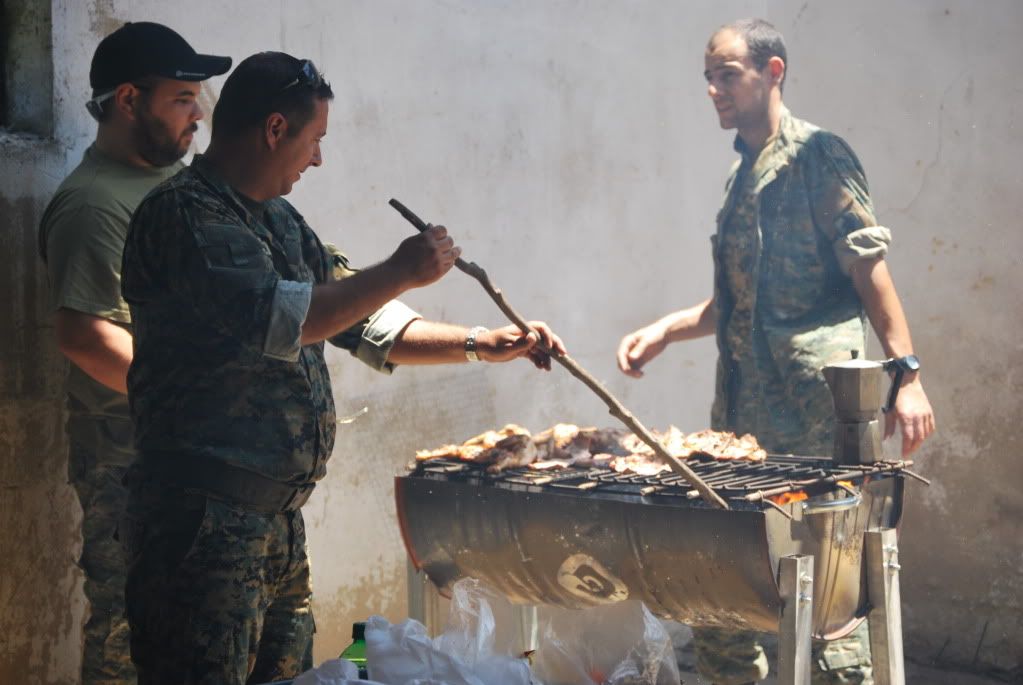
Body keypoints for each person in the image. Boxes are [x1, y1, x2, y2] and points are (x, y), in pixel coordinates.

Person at [118, 51, 565, 685]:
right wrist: (401, 269)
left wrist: (480, 342)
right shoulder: (186, 216)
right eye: (315, 139)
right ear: (276, 130)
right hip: (202, 525)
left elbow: (364, 320)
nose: (318, 159)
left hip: (273, 524)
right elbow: (289, 319)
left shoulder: (280, 220)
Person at [616, 18, 935, 685]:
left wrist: (906, 376)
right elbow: (740, 301)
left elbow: (868, 272)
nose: (713, 90)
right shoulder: (741, 173)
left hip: (813, 422)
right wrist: (666, 330)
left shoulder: (818, 156)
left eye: (726, 74)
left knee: (827, 597)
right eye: (707, 78)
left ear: (773, 71)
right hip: (741, 430)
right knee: (727, 588)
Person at [37, 22, 230, 685]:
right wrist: (200, 408)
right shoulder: (94, 205)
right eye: (181, 98)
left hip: (199, 458)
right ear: (128, 100)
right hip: (132, 462)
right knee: (129, 633)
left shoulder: (183, 189)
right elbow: (86, 334)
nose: (197, 114)